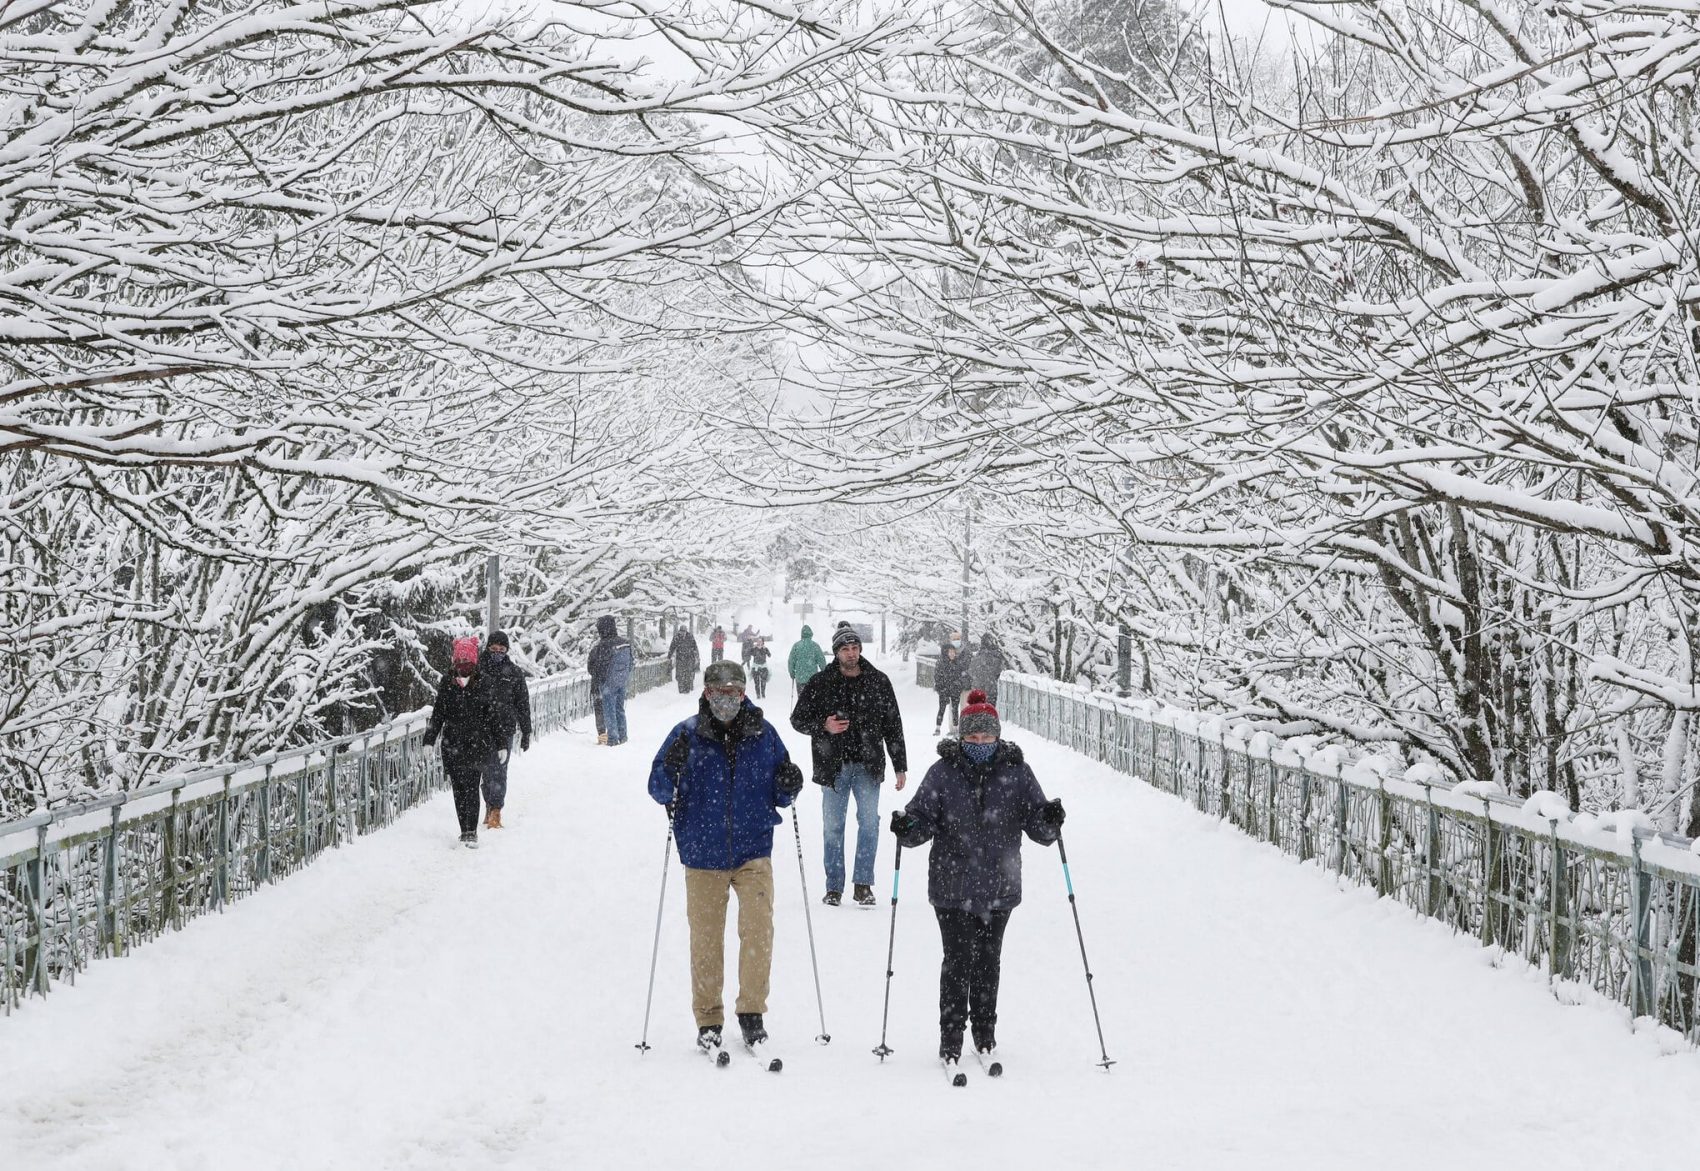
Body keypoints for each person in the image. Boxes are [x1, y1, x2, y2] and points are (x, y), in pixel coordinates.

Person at [889, 689, 1064, 1065]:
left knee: (988, 960)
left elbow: (1038, 827)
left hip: (1000, 884)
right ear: (961, 737)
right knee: (957, 960)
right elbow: (921, 819)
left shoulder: (1017, 772)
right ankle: (951, 1035)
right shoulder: (942, 773)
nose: (979, 744)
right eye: (972, 737)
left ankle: (985, 1032)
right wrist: (907, 826)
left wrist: (1049, 820)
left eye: (986, 737)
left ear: (997, 736)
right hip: (952, 885)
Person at [649, 661, 806, 1055]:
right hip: (702, 852)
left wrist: (790, 784)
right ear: (706, 694)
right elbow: (658, 789)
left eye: (734, 693)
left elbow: (782, 791)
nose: (726, 701)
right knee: (705, 939)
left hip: (753, 848)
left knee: (758, 932)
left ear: (744, 694)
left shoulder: (764, 734)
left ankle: (752, 1012)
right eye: (719, 693)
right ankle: (708, 1018)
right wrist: (671, 768)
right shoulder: (685, 735)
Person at [790, 621, 907, 907]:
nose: (851, 653)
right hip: (833, 766)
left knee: (869, 824)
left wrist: (900, 765)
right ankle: (833, 887)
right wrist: (823, 725)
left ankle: (863, 884)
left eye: (855, 648)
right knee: (833, 827)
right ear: (836, 652)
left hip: (868, 765)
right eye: (846, 649)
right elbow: (797, 720)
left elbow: (893, 724)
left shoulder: (878, 681)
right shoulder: (821, 683)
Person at [423, 636, 500, 849]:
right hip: (453, 745)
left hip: (478, 745)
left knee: (472, 788)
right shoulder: (447, 683)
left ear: (474, 663)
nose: (463, 666)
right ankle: (463, 828)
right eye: (460, 661)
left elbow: (493, 716)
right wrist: (429, 740)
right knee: (458, 789)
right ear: (454, 662)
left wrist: (501, 743)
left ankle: (470, 831)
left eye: (467, 662)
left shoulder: (484, 683)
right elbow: (438, 714)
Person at [478, 630, 532, 830]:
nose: (497, 652)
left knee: (499, 770)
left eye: (501, 649)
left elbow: (522, 703)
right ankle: (488, 803)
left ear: (507, 650)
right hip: (481, 729)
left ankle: (496, 811)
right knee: (485, 770)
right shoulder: (478, 669)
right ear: (488, 648)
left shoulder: (514, 673)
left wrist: (526, 731)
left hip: (506, 728)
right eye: (493, 649)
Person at [587, 616, 635, 746]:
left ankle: (613, 739)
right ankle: (623, 735)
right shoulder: (625, 643)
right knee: (619, 709)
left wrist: (601, 679)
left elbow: (593, 667)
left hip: (607, 683)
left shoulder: (603, 646)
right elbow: (631, 663)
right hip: (621, 681)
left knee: (609, 711)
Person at [932, 642, 966, 736]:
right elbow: (937, 678)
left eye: (953, 652)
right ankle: (938, 728)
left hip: (955, 689)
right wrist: (941, 689)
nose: (952, 654)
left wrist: (959, 684)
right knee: (942, 708)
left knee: (955, 709)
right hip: (944, 690)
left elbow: (962, 675)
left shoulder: (957, 662)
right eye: (950, 652)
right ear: (946, 652)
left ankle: (956, 728)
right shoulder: (940, 663)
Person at [965, 632, 1005, 707]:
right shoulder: (995, 656)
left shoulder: (976, 657)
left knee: (978, 713)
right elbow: (999, 671)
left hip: (977, 690)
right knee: (990, 712)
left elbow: (970, 671)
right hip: (991, 689)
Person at [787, 624, 827, 696]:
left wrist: (792, 673)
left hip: (800, 678)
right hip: (813, 678)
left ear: (802, 634)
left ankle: (803, 706)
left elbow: (791, 661)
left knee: (802, 699)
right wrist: (824, 672)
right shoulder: (815, 646)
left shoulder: (796, 646)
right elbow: (821, 660)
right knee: (813, 699)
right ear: (811, 634)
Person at [668, 623, 701, 695]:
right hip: (680, 658)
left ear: (686, 631)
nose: (682, 633)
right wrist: (669, 656)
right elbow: (672, 647)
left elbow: (695, 647)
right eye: (681, 631)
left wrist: (697, 657)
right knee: (680, 674)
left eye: (684, 631)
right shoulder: (676, 637)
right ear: (679, 631)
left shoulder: (690, 637)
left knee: (688, 673)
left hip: (689, 658)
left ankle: (688, 688)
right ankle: (681, 689)